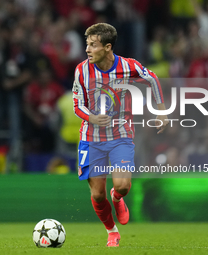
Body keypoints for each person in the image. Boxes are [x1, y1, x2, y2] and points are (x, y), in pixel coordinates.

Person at [72, 23, 168, 247]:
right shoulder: (81, 71)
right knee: (97, 195)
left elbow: (152, 78)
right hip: (91, 138)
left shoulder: (128, 66)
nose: (87, 49)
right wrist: (92, 118)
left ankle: (117, 197)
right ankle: (112, 232)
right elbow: (77, 105)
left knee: (123, 185)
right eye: (87, 44)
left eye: (92, 45)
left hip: (120, 135)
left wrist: (162, 110)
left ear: (107, 47)